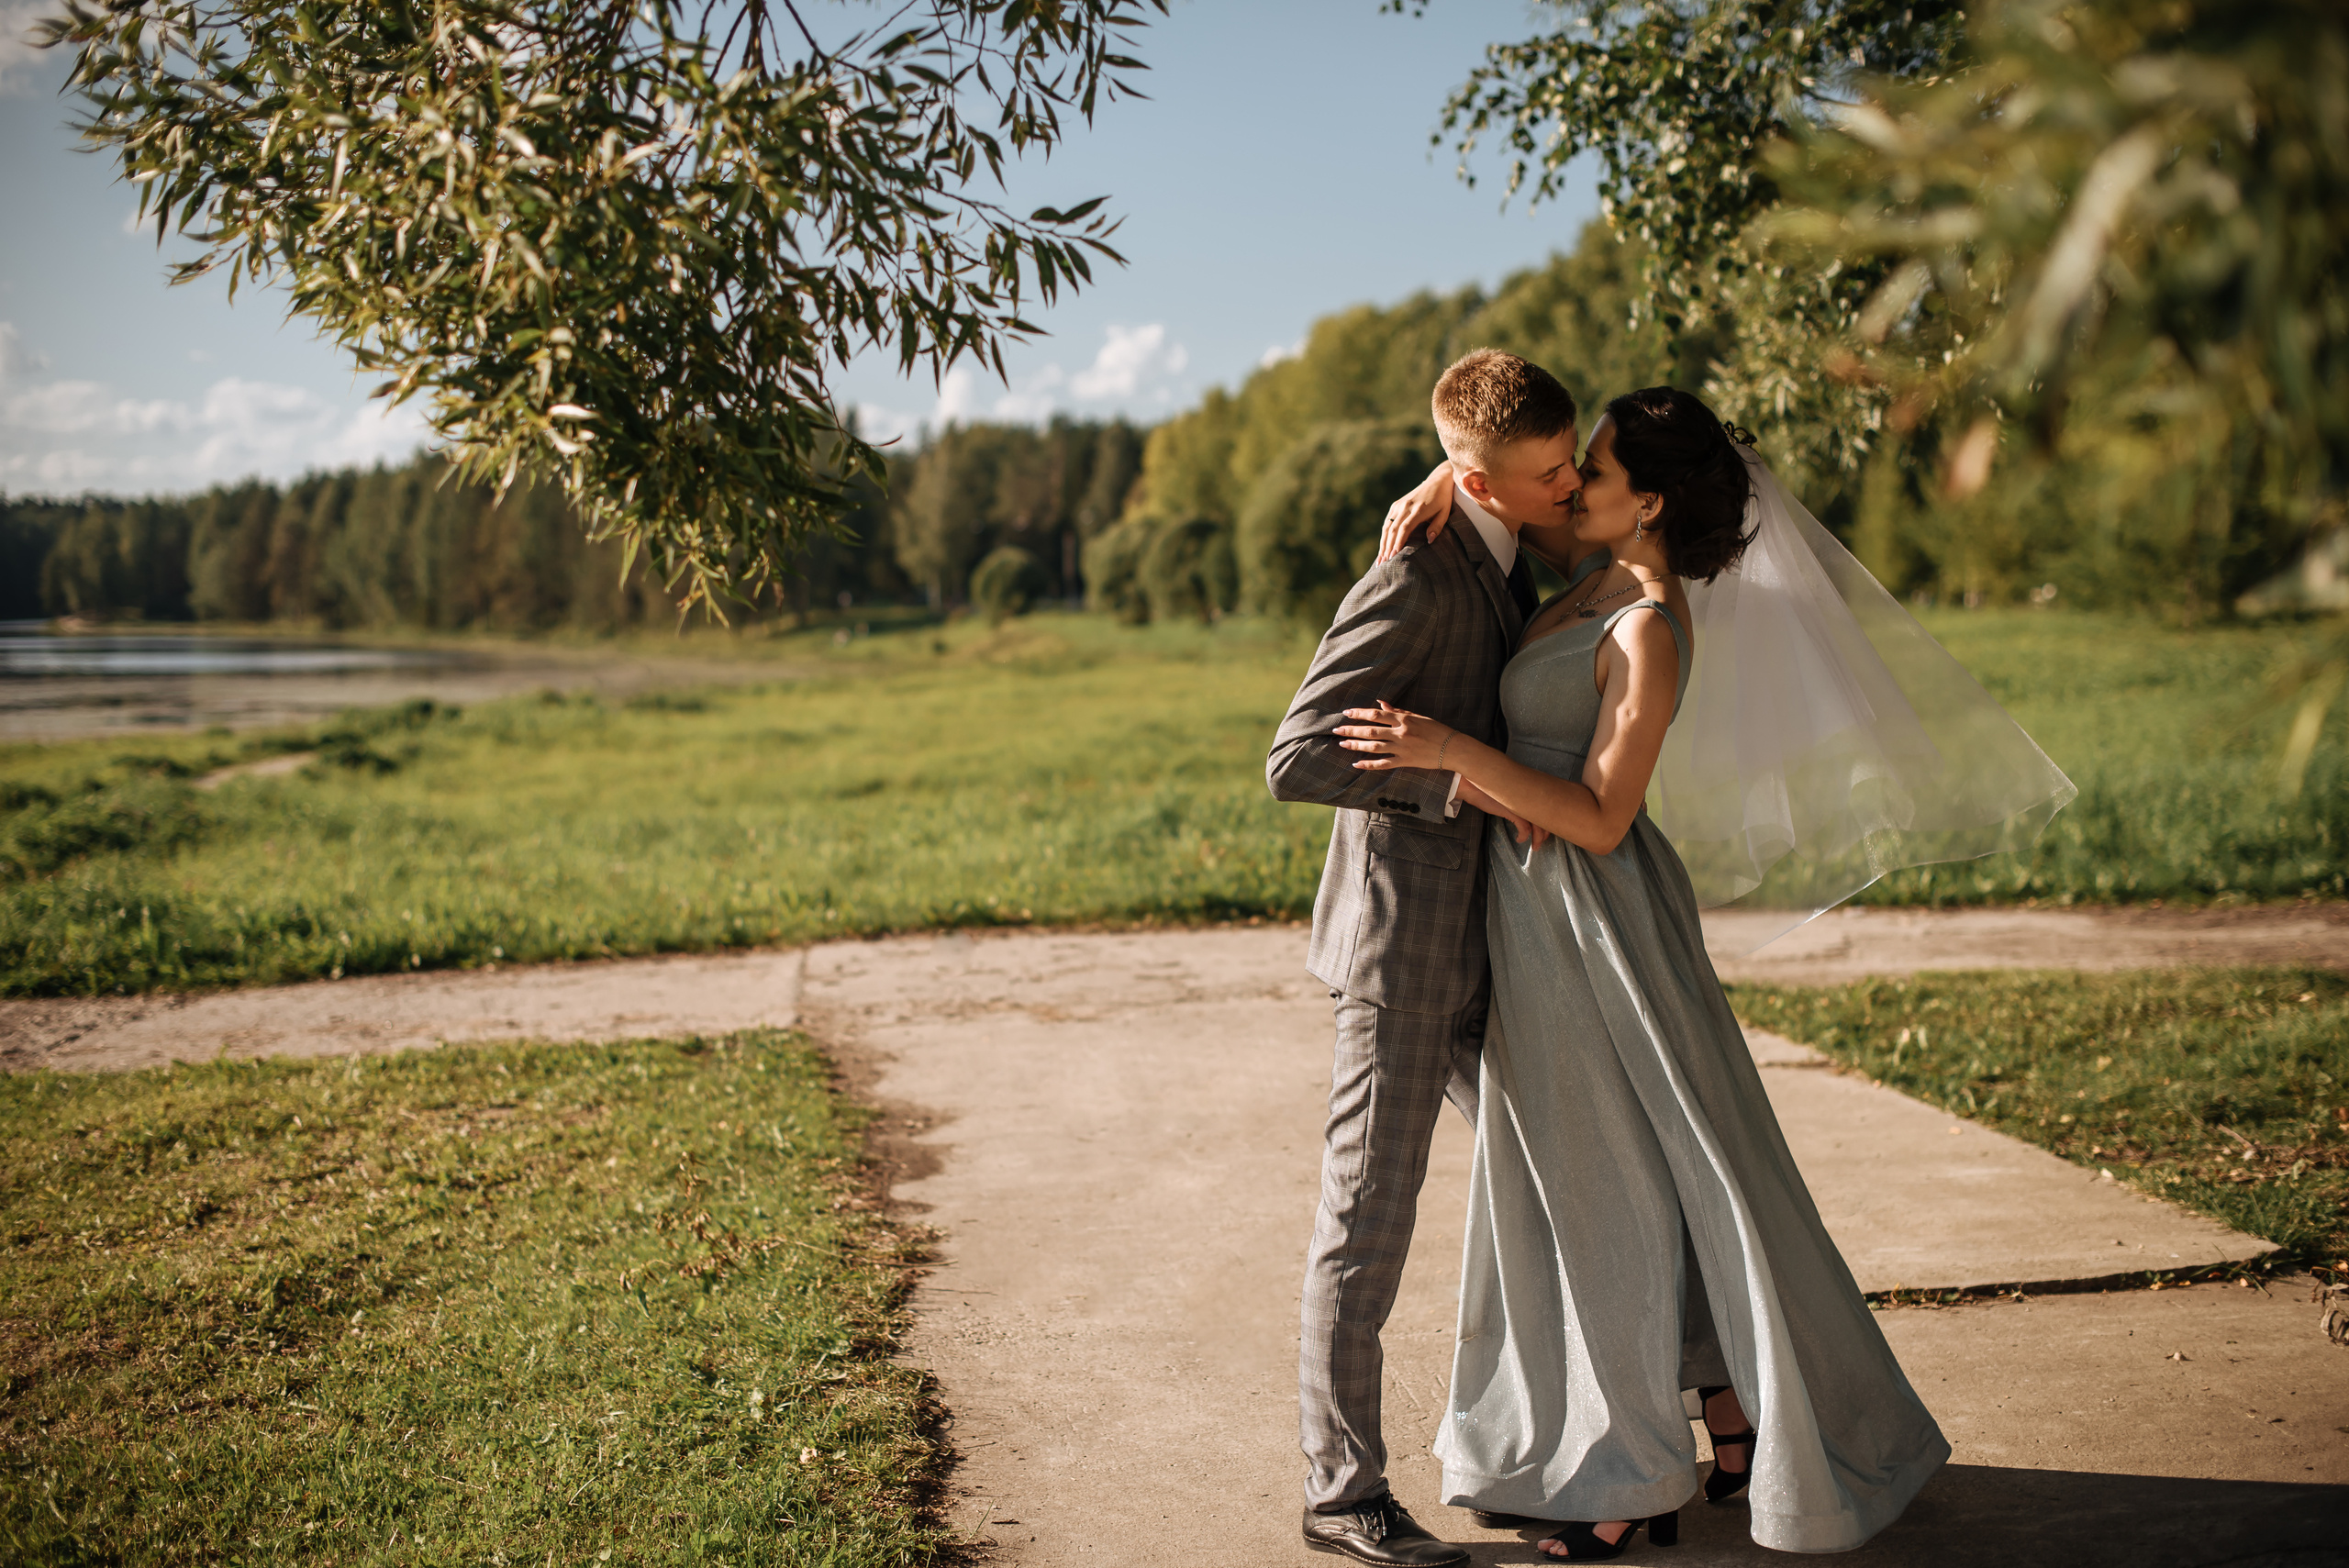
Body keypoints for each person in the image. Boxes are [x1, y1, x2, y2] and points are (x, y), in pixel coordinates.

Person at [1339, 385, 1987, 1559]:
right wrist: (1440, 478)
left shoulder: (1643, 622)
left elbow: (1595, 815)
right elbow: (1496, 484)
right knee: (1625, 1169)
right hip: (1532, 915)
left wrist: (1449, 752)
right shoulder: (1581, 565)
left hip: (1588, 921)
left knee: (1606, 1190)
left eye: (1591, 469)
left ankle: (1631, 1480)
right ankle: (1728, 1416)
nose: (1570, 484)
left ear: (1645, 501)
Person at [1264, 349, 1583, 1567]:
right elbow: (1296, 756)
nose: (1569, 483)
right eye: (1548, 472)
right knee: (1366, 1221)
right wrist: (1458, 783)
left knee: (1561, 1185)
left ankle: (1560, 1451)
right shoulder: (1411, 580)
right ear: (1480, 482)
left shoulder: (1509, 539)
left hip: (1491, 949)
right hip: (1401, 958)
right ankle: (1341, 1498)